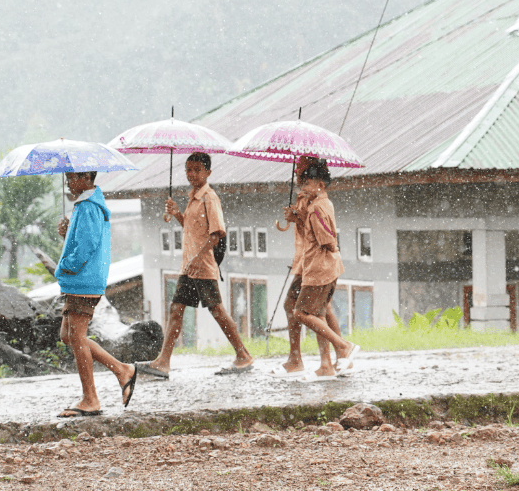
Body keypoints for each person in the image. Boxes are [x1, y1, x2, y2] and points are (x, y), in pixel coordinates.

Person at [137, 153, 254, 379]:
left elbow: (216, 235)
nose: (192, 174)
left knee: (217, 310)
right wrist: (177, 214)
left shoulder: (210, 198)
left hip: (202, 267)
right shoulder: (193, 197)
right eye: (189, 170)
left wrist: (198, 258)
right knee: (176, 309)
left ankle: (243, 355)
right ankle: (163, 362)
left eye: (197, 169)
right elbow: (192, 230)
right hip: (189, 267)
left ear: (208, 172)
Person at [54, 171, 137, 417]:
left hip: (83, 280)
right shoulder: (85, 205)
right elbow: (82, 240)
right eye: (67, 177)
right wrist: (67, 234)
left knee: (76, 336)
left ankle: (91, 399)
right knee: (68, 335)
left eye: (72, 177)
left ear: (85, 177)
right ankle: (122, 370)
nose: (68, 182)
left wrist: (66, 266)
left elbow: (86, 246)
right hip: (78, 281)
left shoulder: (88, 206)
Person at [271, 156, 347, 379]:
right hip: (307, 262)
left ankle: (332, 354)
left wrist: (299, 218)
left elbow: (323, 237)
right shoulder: (307, 198)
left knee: (305, 310)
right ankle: (330, 360)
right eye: (299, 176)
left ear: (318, 182)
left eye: (303, 176)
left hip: (314, 264)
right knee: (320, 309)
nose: (299, 179)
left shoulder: (314, 203)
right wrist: (296, 217)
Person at [292, 163, 360, 381]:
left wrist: (331, 248)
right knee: (318, 313)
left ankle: (343, 346)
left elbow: (327, 239)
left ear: (320, 185)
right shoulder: (322, 203)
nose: (303, 186)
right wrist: (298, 220)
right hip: (323, 268)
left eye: (308, 183)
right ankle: (326, 365)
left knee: (301, 313)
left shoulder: (317, 207)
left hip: (319, 269)